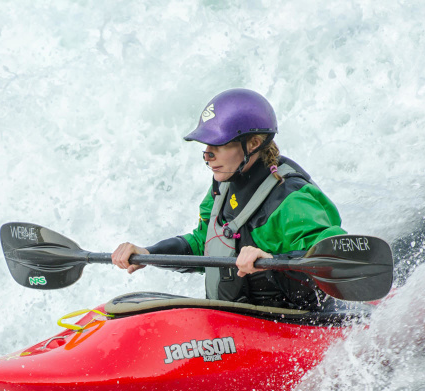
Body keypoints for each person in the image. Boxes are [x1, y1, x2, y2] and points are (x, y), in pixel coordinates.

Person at [111, 88, 346, 311]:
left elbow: (335, 255)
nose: (207, 155)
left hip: (294, 330)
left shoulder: (290, 200)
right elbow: (203, 244)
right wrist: (150, 254)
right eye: (206, 145)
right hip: (238, 325)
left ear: (253, 143)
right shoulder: (223, 188)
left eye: (219, 145)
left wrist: (273, 260)